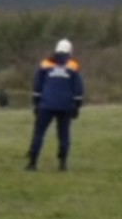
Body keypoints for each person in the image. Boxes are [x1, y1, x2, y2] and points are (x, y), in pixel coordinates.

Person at [26, 38, 84, 172]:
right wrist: (77, 105)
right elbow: (78, 88)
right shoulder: (73, 65)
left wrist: (36, 103)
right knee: (64, 134)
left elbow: (37, 85)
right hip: (66, 106)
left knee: (39, 133)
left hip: (46, 104)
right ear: (69, 51)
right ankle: (63, 163)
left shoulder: (45, 63)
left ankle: (32, 162)